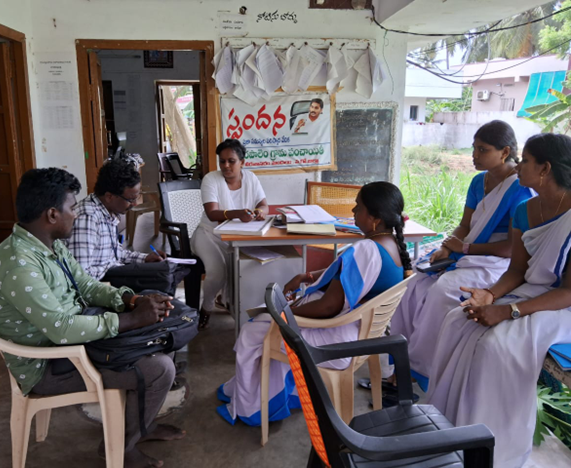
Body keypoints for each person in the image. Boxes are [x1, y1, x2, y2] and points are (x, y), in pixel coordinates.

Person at [0, 168, 185, 468]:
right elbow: (62, 329)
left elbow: (86, 286)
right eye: (72, 207)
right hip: (48, 364)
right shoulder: (19, 265)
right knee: (160, 369)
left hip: (71, 342)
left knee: (163, 333)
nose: (76, 214)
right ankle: (122, 447)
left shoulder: (49, 245)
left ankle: (141, 424)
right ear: (52, 214)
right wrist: (130, 320)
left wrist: (131, 300)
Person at [427, 133, 571, 468]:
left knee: (496, 347)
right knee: (458, 320)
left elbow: (567, 291)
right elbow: (518, 270)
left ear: (545, 169)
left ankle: (495, 449)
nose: (518, 166)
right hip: (531, 293)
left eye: (526, 161)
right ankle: (448, 434)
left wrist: (508, 311)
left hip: (561, 306)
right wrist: (489, 295)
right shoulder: (524, 211)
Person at [217, 182, 410, 426]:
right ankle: (265, 393)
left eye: (358, 207)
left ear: (375, 219)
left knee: (252, 331)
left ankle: (253, 407)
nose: (353, 211)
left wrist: (285, 312)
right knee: (264, 325)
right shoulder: (391, 246)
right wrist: (306, 276)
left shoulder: (366, 250)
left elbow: (328, 308)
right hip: (359, 335)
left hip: (338, 343)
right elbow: (345, 275)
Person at [391, 120, 534, 390]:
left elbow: (511, 249)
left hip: (496, 262)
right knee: (413, 286)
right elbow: (465, 225)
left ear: (505, 152)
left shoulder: (520, 190)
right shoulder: (479, 182)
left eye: (483, 150)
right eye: (474, 148)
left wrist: (465, 248)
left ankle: (420, 371)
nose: (474, 155)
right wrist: (446, 247)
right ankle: (401, 362)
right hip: (466, 253)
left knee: (441, 292)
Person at [67, 158, 188, 296]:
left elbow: (116, 254)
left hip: (110, 274)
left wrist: (145, 258)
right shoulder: (88, 218)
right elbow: (80, 276)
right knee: (162, 277)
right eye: (130, 199)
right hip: (100, 285)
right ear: (109, 196)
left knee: (166, 270)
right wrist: (111, 269)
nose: (135, 204)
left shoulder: (106, 212)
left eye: (136, 197)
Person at [190, 138, 268, 329]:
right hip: (209, 235)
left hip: (237, 237)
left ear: (242, 162)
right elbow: (212, 213)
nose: (226, 165)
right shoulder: (211, 179)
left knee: (246, 269)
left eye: (231, 161)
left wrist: (259, 212)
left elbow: (264, 205)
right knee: (217, 271)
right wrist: (238, 214)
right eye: (222, 161)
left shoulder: (251, 178)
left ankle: (233, 306)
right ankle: (206, 307)